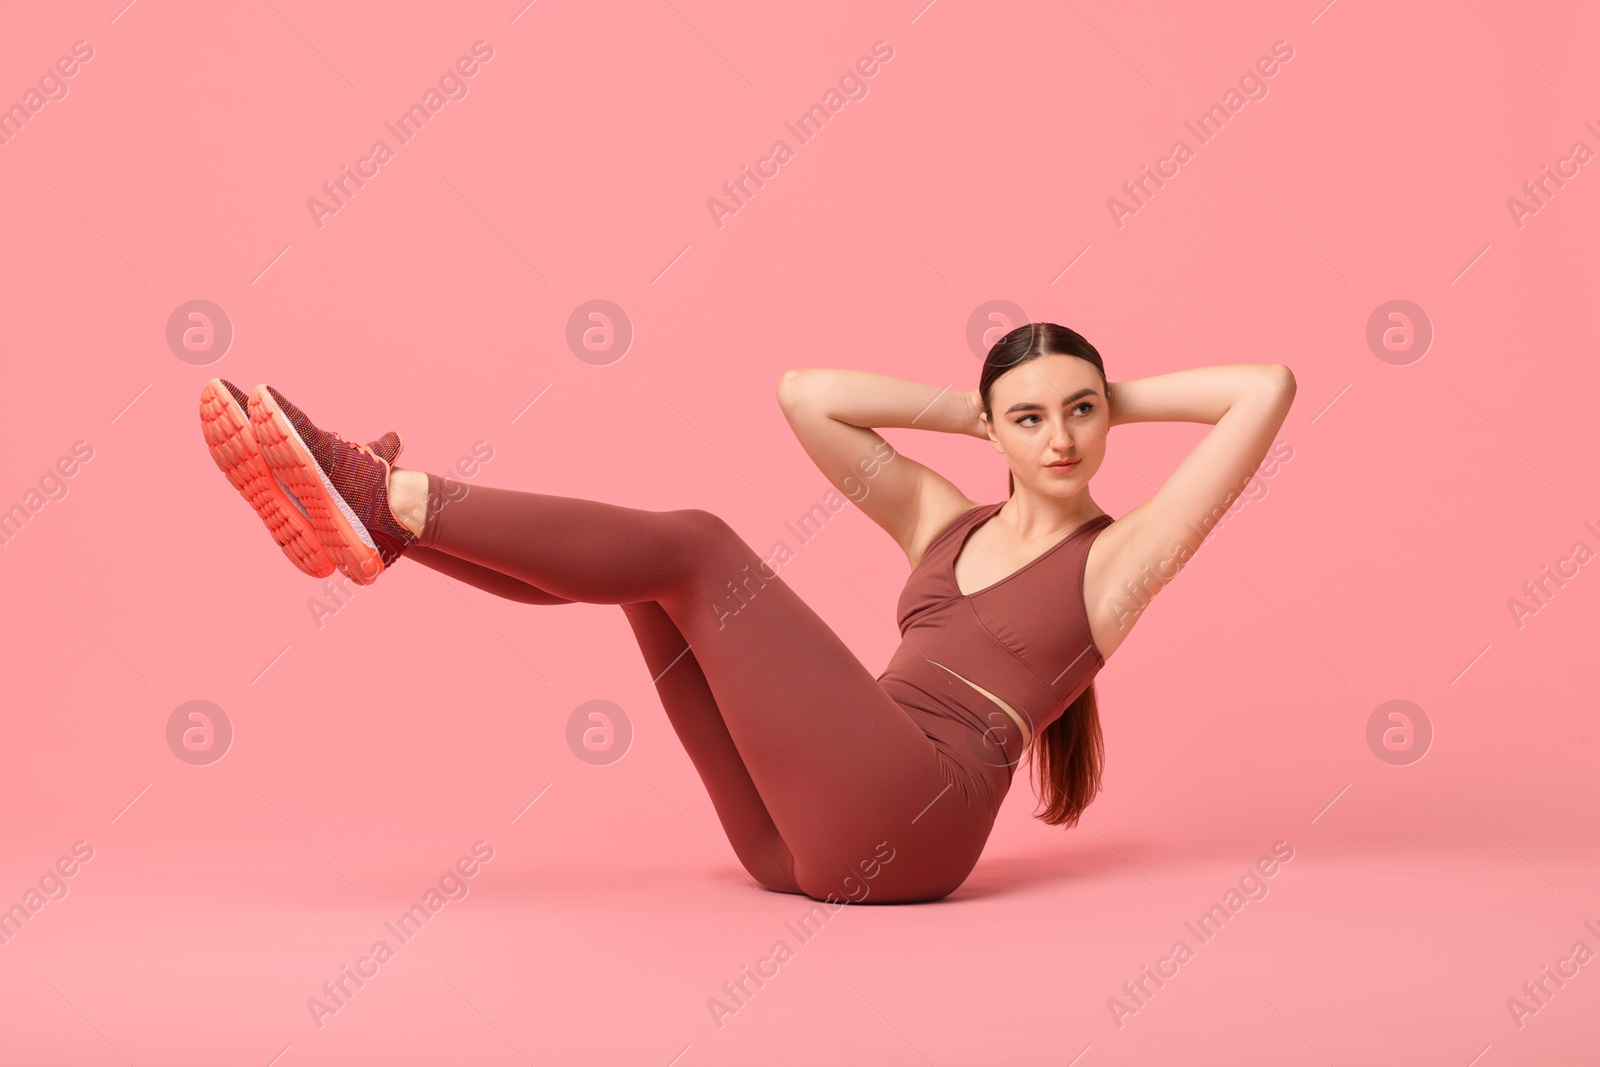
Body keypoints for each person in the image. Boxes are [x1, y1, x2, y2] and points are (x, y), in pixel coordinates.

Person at [197, 322, 1295, 904]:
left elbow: (1265, 388)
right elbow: (805, 391)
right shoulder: (940, 519)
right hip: (798, 840)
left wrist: (1102, 387)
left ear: (1107, 421)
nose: (1058, 439)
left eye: (1080, 415)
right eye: (1029, 418)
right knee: (652, 584)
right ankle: (398, 533)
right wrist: (977, 411)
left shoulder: (1119, 562)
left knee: (695, 543)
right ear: (990, 429)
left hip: (909, 818)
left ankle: (385, 490)